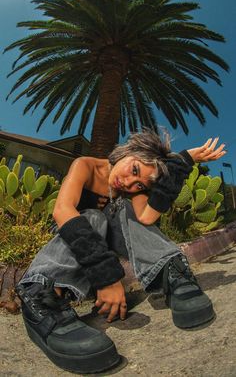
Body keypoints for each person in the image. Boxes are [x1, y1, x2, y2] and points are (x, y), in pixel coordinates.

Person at [16, 129, 225, 374]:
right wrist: (106, 277)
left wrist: (183, 160)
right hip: (71, 252)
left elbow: (147, 218)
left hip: (103, 254)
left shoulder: (130, 192)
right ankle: (42, 296)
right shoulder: (86, 165)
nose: (128, 183)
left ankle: (172, 274)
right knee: (93, 217)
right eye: (134, 170)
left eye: (139, 185)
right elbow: (62, 211)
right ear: (129, 152)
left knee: (128, 209)